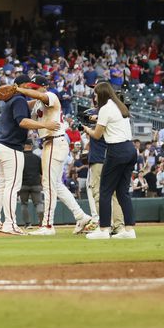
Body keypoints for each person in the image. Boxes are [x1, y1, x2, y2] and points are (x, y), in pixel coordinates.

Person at [15, 75, 96, 235]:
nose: (32, 89)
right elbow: (25, 104)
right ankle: (81, 216)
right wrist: (13, 97)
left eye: (35, 86)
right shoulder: (37, 102)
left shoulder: (50, 95)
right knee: (56, 185)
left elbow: (39, 96)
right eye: (31, 87)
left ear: (44, 86)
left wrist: (18, 89)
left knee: (49, 185)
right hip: (50, 143)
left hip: (54, 142)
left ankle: (48, 226)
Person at [0, 75, 59, 235]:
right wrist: (45, 124)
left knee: (2, 184)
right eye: (28, 85)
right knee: (12, 186)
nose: (30, 88)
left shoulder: (14, 100)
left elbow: (29, 104)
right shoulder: (18, 99)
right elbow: (23, 121)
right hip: (10, 147)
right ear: (22, 85)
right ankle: (9, 223)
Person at [83, 82, 138, 239]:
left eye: (95, 94)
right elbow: (110, 120)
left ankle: (104, 229)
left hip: (117, 150)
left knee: (105, 191)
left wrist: (86, 129)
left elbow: (97, 135)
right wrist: (95, 118)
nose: (94, 97)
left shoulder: (105, 108)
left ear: (101, 94)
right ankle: (129, 230)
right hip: (130, 149)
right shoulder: (119, 106)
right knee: (122, 192)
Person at [19, 139, 44, 230]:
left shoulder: (20, 158)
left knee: (24, 204)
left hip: (23, 184)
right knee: (38, 204)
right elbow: (42, 172)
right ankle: (41, 222)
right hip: (36, 183)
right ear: (31, 146)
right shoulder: (37, 158)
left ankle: (28, 224)